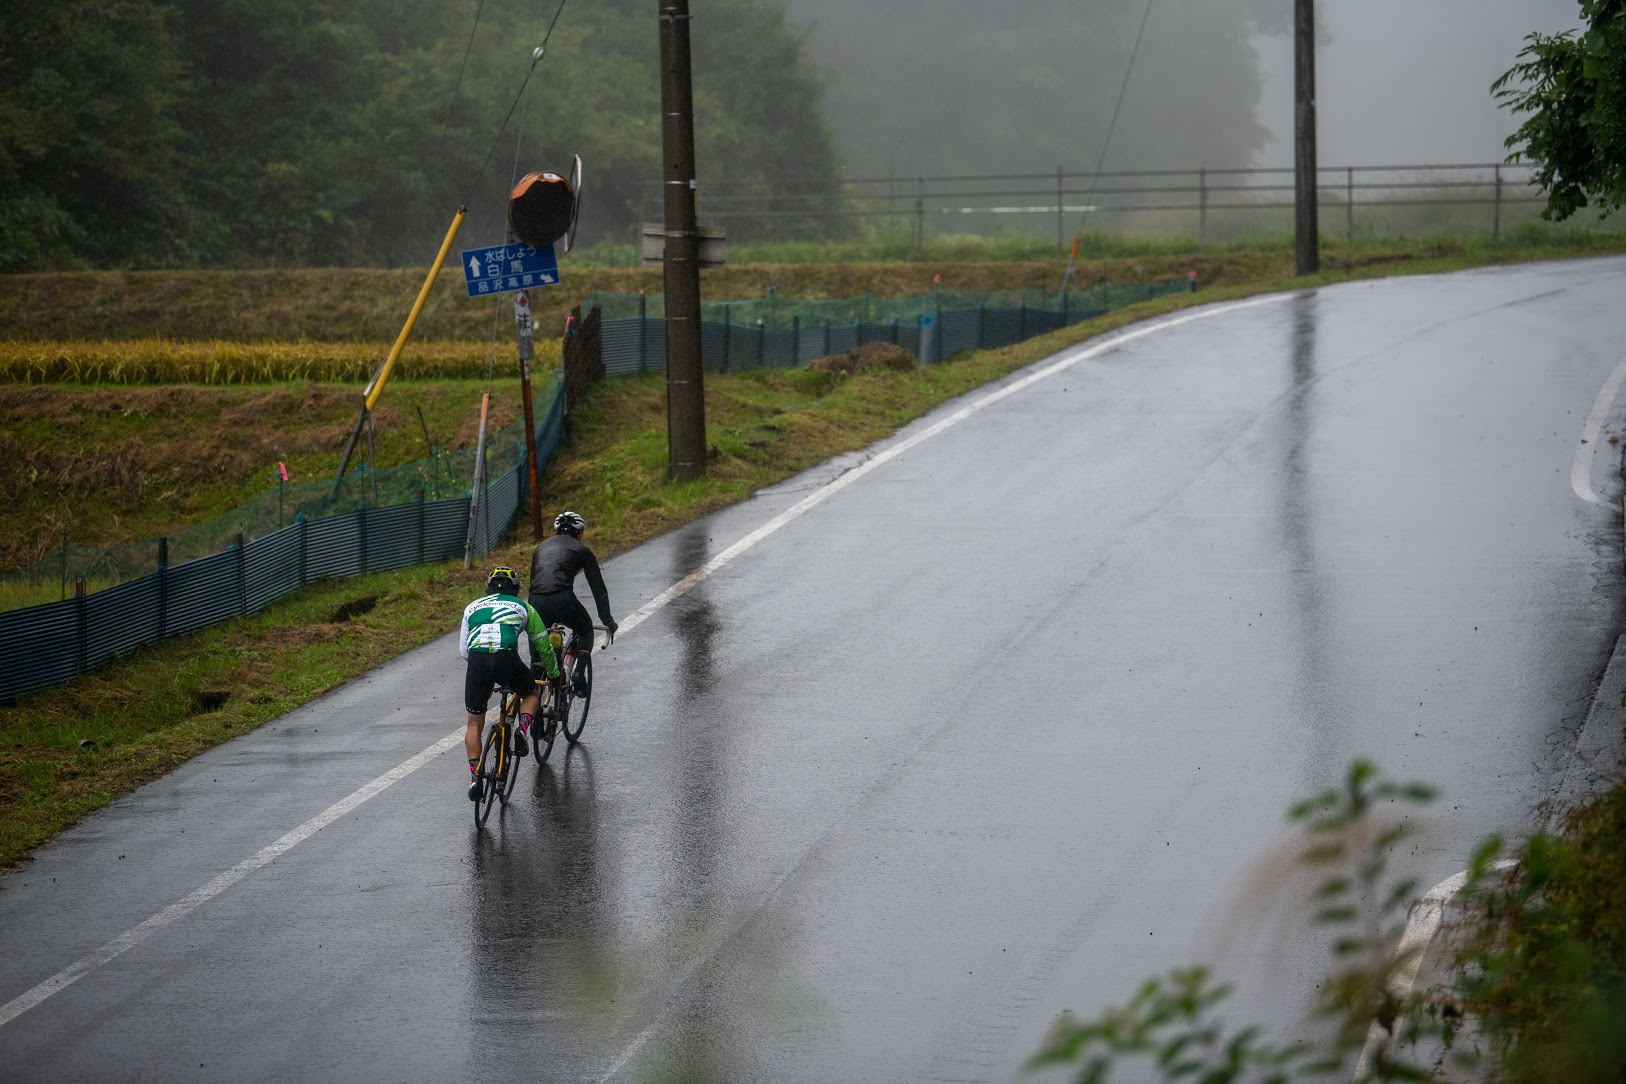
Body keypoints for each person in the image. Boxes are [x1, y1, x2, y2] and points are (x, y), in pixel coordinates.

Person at [460, 566, 559, 800]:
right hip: (506, 657)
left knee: (474, 724)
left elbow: (464, 651)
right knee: (530, 693)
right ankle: (522, 731)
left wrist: (483, 667)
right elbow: (543, 645)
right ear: (516, 589)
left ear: (488, 588)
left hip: (477, 661)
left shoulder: (471, 607)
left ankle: (475, 778)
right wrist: (554, 675)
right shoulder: (523, 607)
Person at [528, 511, 617, 695]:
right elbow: (598, 589)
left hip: (535, 600)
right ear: (580, 534)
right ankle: (578, 674)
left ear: (556, 531)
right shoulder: (582, 549)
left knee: (537, 657)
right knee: (585, 629)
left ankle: (534, 717)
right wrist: (607, 620)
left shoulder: (540, 548)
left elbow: (534, 582)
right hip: (562, 598)